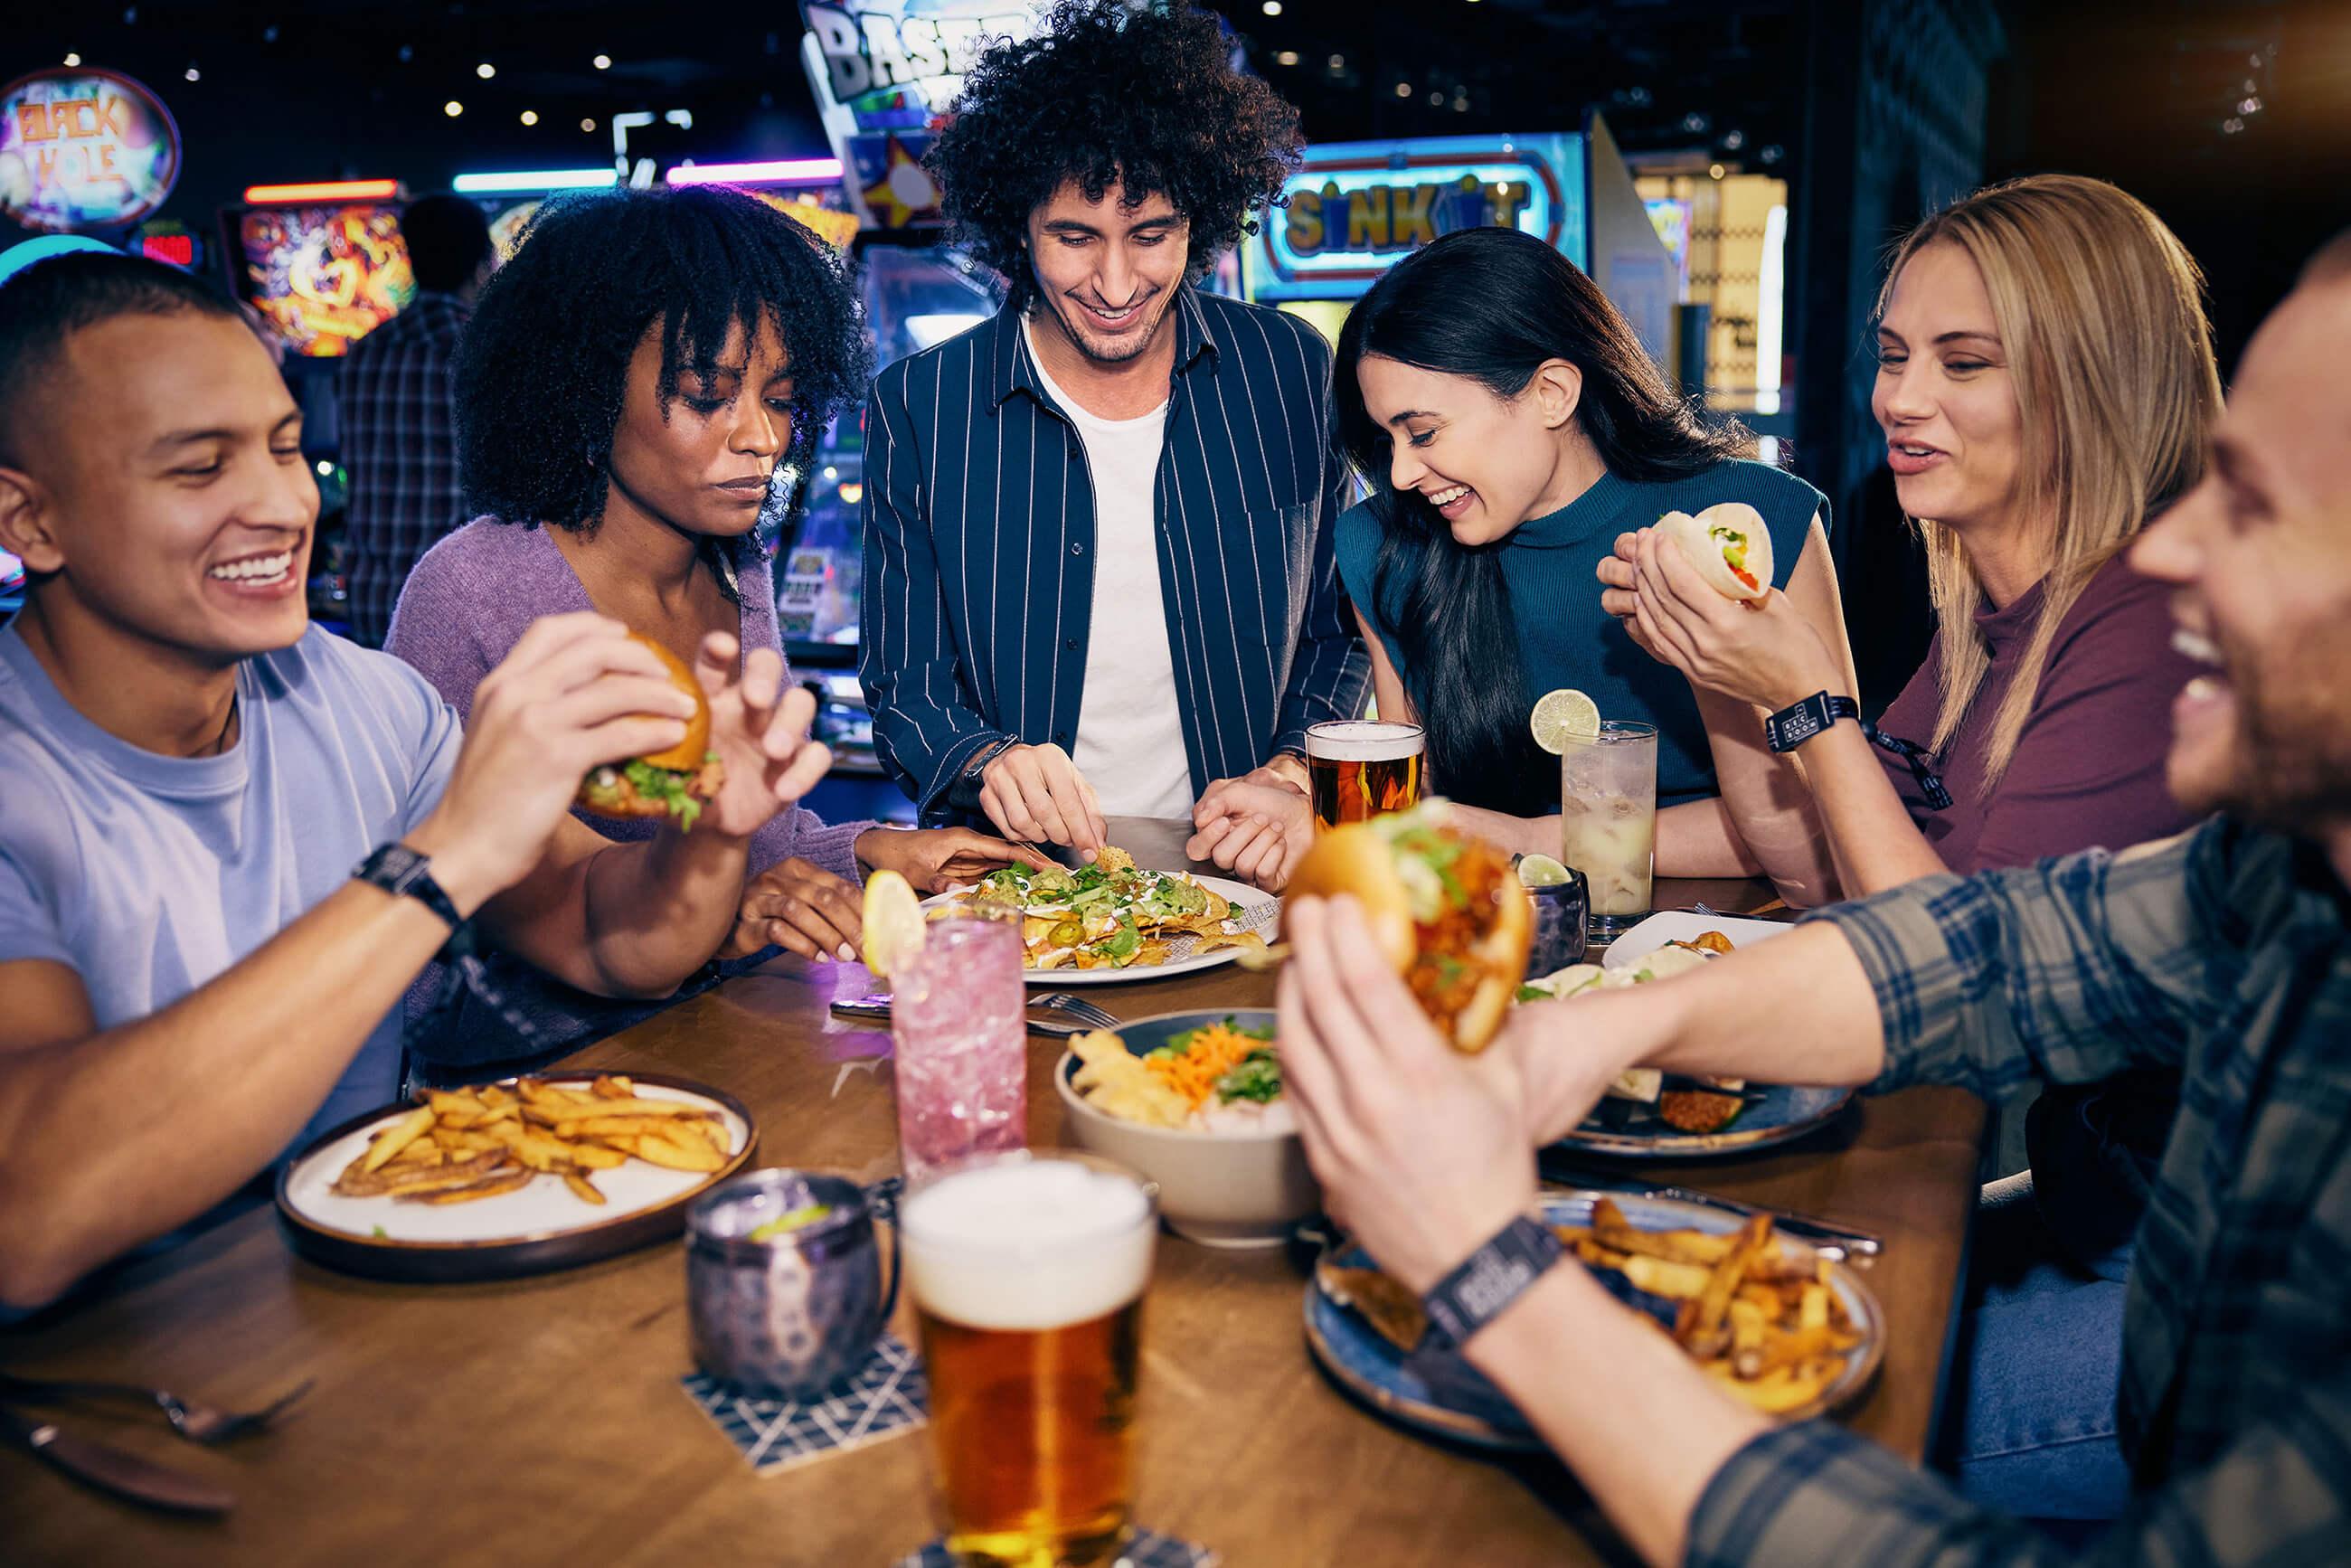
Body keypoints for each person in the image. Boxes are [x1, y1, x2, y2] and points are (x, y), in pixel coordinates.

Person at [1274, 234, 2351, 1563]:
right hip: (2104, 1237)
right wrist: (1579, 1038)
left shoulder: (2081, 625)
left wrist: (1490, 1266)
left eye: (2251, 505)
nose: (2170, 549)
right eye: (1895, 358)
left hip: (2133, 1333)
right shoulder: (2275, 873)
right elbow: (1978, 956)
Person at [0, 246, 834, 1311]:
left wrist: (712, 831)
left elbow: (609, 938)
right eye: (200, 467)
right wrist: (445, 858)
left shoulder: (363, 703)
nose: (282, 505)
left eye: (287, 449)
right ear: (31, 521)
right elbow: (27, 1213)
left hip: (369, 1305)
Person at [387, 187, 1035, 1055]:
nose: (762, 438)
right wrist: (732, 913)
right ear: (584, 391)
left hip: (725, 1039)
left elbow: (759, 842)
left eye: (780, 398)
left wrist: (879, 851)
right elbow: (480, 910)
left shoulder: (739, 570)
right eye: (707, 397)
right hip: (530, 1088)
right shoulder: (472, 591)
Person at [1601, 174, 2212, 906]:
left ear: (2098, 384)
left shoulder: (2149, 623)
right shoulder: (1982, 626)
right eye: (1894, 356)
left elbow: (1957, 967)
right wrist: (1710, 656)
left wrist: (1810, 695)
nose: (1900, 400)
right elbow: (1819, 874)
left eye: (1964, 363)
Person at [1188, 224, 1852, 890]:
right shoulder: (1385, 546)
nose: (1400, 473)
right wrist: (1305, 802)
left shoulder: (1748, 524)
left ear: (1552, 392)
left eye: (1422, 432)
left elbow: (1826, 831)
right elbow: (1414, 806)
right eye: (1387, 438)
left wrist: (1529, 838)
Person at [858, 0, 1367, 861]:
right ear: (1017, 227)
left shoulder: (1288, 369)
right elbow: (903, 681)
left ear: (1199, 222)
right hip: (1013, 884)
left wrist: (1291, 769)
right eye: (1074, 237)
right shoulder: (922, 402)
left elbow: (1339, 626)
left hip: (1244, 870)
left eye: (1151, 234)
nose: (1117, 281)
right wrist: (984, 760)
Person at [339, 193, 495, 647]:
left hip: (372, 600)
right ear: (482, 263)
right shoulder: (484, 350)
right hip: (459, 601)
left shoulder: (363, 352)